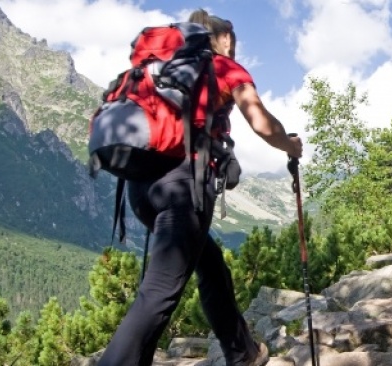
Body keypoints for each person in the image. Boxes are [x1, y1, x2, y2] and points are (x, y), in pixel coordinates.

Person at [97, 10, 301, 366]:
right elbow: (261, 122)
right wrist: (290, 146)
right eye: (233, 43)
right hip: (183, 188)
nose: (236, 51)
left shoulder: (163, 71)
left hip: (140, 189)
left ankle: (244, 353)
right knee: (160, 290)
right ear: (223, 39)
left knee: (210, 266)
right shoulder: (222, 68)